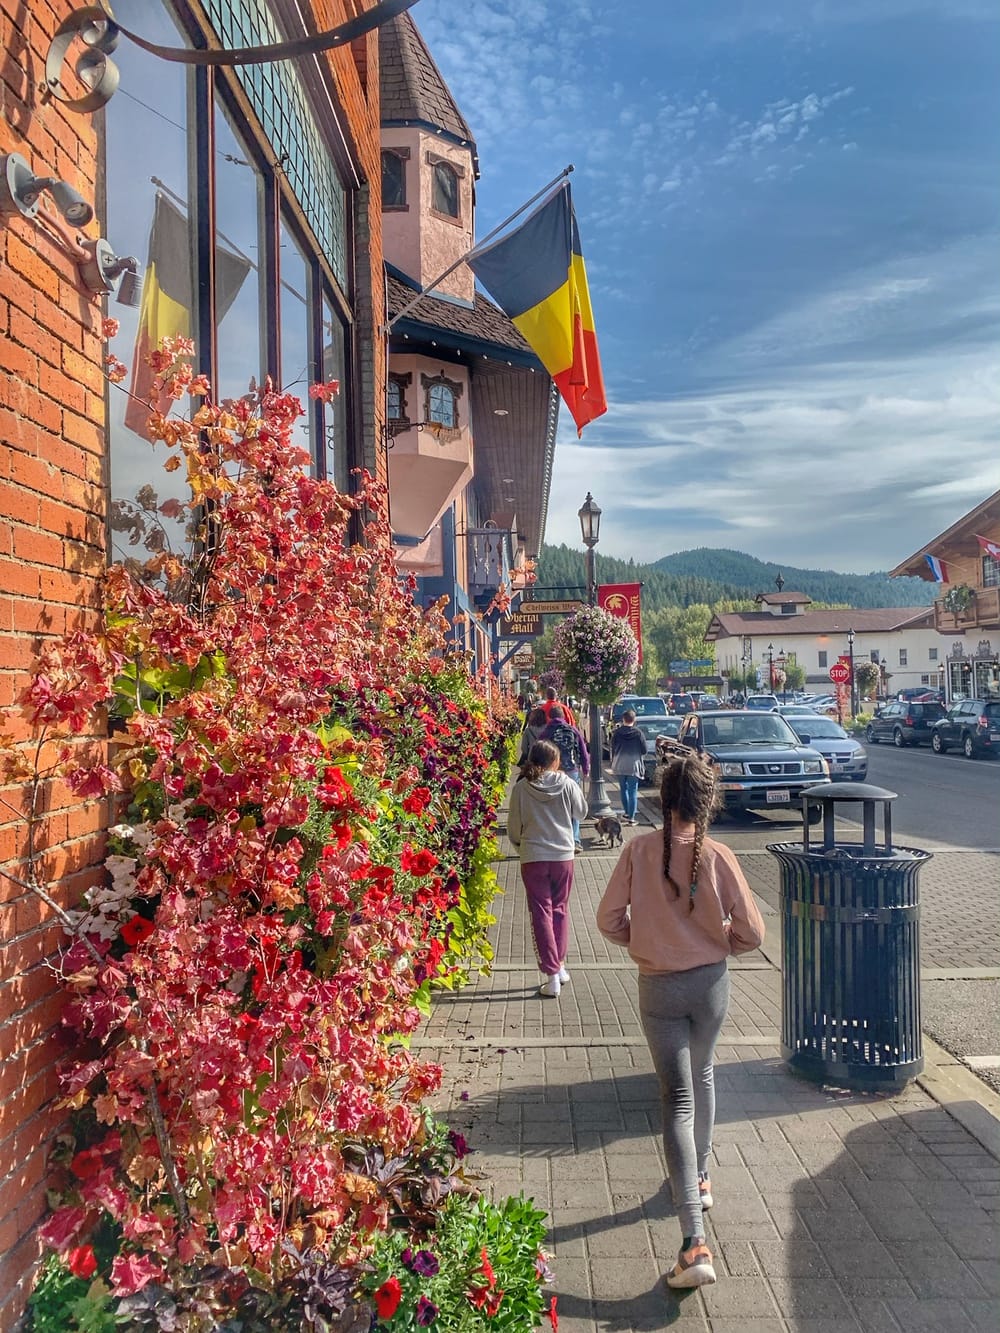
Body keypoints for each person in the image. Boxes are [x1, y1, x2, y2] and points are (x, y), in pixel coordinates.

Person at [596, 754, 765, 1290]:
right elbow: (753, 933)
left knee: (676, 1099)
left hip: (659, 986)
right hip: (711, 984)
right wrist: (718, 947)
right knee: (706, 1072)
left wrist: (645, 943)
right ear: (707, 803)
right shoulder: (718, 855)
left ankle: (694, 1242)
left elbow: (607, 920)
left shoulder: (638, 850)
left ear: (664, 800)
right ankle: (704, 1175)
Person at [507, 739, 588, 998]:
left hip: (533, 855)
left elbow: (513, 825)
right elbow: (582, 813)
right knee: (560, 910)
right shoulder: (567, 784)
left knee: (541, 912)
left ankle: (551, 973)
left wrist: (520, 847)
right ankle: (560, 966)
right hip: (563, 855)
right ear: (555, 761)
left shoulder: (522, 787)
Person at [537, 705, 590, 849]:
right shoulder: (573, 730)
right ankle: (575, 839)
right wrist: (585, 769)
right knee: (573, 803)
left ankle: (556, 837)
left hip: (553, 770)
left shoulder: (547, 731)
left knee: (553, 804)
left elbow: (539, 750)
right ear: (564, 716)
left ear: (550, 717)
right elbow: (583, 750)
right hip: (572, 770)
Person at [609, 708, 647, 825]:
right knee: (633, 791)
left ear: (623, 719)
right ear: (634, 720)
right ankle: (631, 818)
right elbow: (644, 750)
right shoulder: (638, 733)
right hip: (633, 766)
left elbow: (613, 747)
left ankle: (626, 812)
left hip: (620, 764)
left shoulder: (617, 733)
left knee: (623, 789)